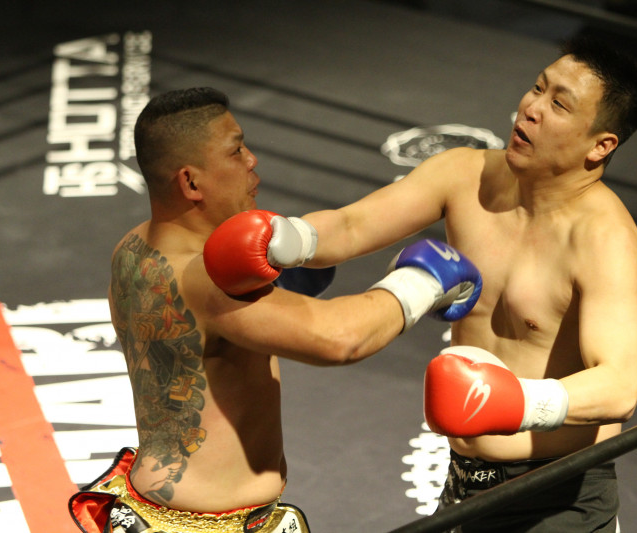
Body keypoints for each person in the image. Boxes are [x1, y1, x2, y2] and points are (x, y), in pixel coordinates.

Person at [67, 87, 482, 533]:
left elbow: (193, 336)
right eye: (235, 150)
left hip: (153, 504)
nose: (251, 160)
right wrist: (421, 281)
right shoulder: (207, 279)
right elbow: (339, 338)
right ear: (190, 182)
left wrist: (277, 283)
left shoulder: (133, 248)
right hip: (212, 525)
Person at [287, 36, 637, 531]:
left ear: (600, 145)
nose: (531, 109)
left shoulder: (604, 239)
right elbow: (350, 226)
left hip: (556, 500)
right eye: (537, 88)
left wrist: (513, 402)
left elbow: (619, 387)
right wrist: (284, 240)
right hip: (463, 482)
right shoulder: (466, 175)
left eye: (559, 105)